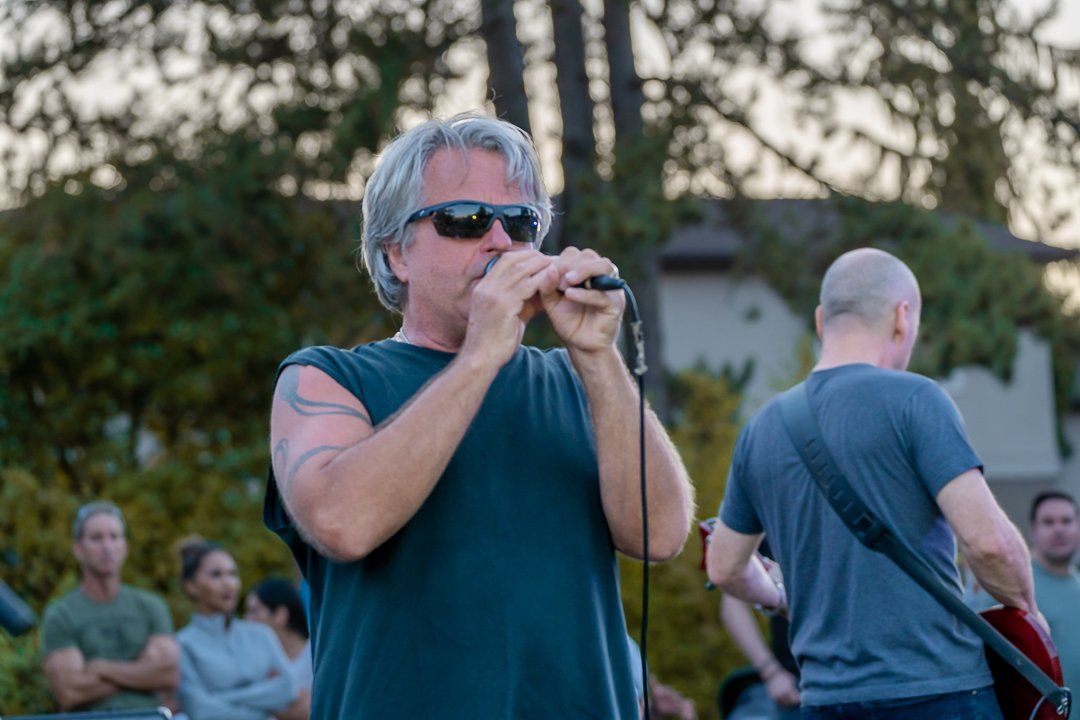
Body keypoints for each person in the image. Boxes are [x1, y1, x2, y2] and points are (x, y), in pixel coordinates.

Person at [264, 113, 694, 718]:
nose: (499, 241)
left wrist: (599, 356)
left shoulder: (577, 381)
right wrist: (480, 356)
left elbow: (660, 535)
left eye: (521, 222)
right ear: (397, 253)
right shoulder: (328, 377)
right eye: (464, 220)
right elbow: (342, 523)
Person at [706, 248, 1041, 719]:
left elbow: (724, 569)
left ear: (821, 321)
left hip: (824, 700)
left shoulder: (761, 428)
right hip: (936, 694)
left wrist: (780, 598)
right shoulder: (916, 399)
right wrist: (1030, 617)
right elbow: (990, 546)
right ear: (902, 317)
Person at [41, 501, 179, 712]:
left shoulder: (150, 606)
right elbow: (70, 693)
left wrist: (101, 668)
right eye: (96, 538)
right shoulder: (61, 614)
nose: (107, 547)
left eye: (114, 537)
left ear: (125, 547)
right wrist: (142, 670)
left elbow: (168, 675)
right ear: (78, 549)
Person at [176, 540, 298, 720]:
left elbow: (289, 689)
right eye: (216, 575)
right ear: (191, 586)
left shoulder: (261, 634)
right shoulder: (182, 644)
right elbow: (201, 711)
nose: (228, 584)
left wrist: (220, 698)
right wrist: (264, 708)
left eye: (232, 574)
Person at [972, 491, 1080, 694]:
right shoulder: (1008, 585)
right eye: (1048, 522)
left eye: (1066, 521)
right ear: (1033, 530)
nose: (1059, 529)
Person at [245, 578, 312, 720]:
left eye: (254, 611)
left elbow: (310, 708)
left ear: (281, 614)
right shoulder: (257, 661)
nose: (247, 620)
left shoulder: (315, 656)